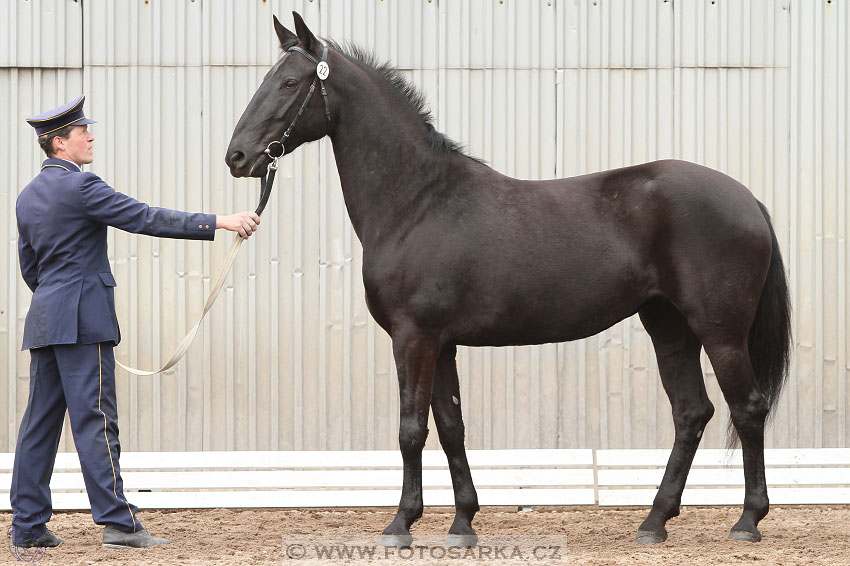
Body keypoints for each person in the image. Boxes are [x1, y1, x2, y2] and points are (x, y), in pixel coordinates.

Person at [11, 95, 260, 549]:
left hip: (46, 320)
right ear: (59, 144)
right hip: (84, 321)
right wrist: (220, 221)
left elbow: (31, 268)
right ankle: (118, 523)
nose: (90, 136)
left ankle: (27, 526)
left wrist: (56, 301)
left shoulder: (27, 197)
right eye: (81, 132)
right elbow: (145, 217)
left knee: (38, 425)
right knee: (96, 420)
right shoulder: (82, 187)